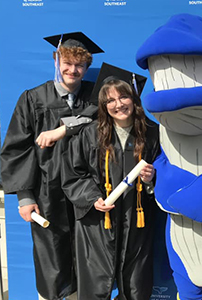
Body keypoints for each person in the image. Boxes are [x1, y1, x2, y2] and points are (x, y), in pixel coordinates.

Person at [0, 32, 103, 300]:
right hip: (47, 192)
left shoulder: (97, 98)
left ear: (87, 67)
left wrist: (63, 130)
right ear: (56, 60)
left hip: (87, 191)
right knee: (52, 259)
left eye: (80, 65)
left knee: (88, 256)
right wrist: (25, 196)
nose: (73, 70)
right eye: (67, 62)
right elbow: (17, 148)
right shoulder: (33, 99)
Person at [61, 64, 160, 300]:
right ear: (104, 106)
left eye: (124, 96)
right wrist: (91, 198)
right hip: (98, 222)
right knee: (95, 285)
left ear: (134, 99)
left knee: (136, 286)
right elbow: (74, 173)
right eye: (110, 100)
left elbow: (166, 172)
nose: (118, 104)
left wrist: (151, 180)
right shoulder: (90, 133)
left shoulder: (152, 133)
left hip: (137, 221)